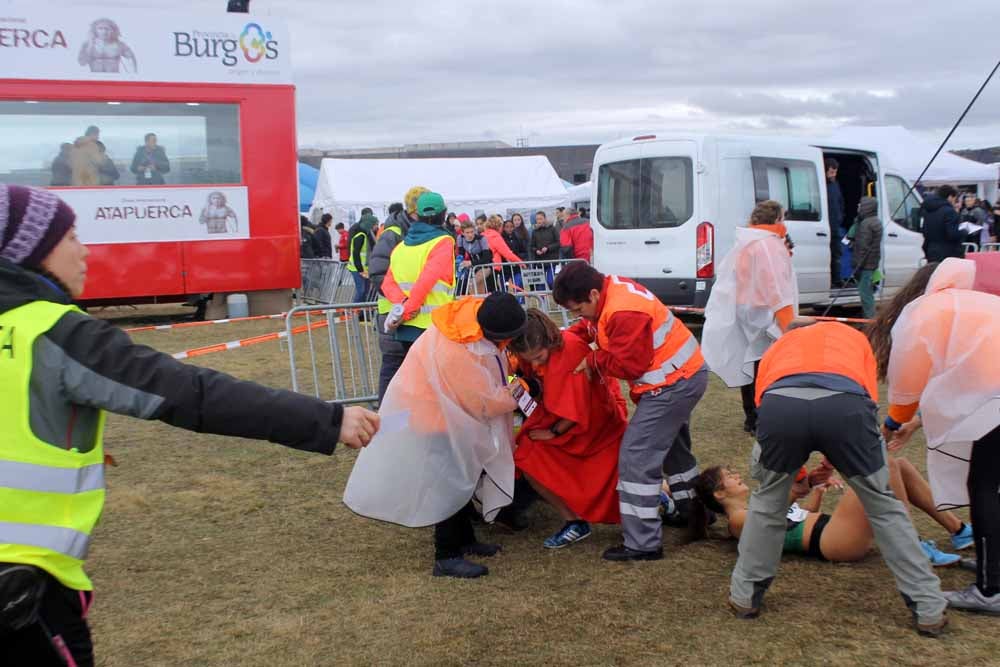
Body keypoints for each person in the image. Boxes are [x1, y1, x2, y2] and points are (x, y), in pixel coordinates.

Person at [0, 184, 380, 667]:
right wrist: (328, 419)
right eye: (71, 235)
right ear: (29, 250)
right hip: (24, 593)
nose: (85, 250)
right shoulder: (49, 330)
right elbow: (188, 393)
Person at [726, 318, 947, 636]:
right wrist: (835, 452)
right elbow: (864, 404)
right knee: (884, 508)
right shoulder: (855, 341)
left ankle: (744, 597)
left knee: (767, 504)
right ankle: (929, 609)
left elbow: (766, 410)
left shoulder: (779, 346)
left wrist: (796, 471)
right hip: (846, 406)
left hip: (781, 407)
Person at [343, 293, 527, 579]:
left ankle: (465, 539)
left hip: (443, 413)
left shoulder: (472, 322)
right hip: (434, 418)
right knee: (449, 481)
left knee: (462, 475)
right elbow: (482, 401)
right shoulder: (457, 349)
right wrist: (522, 392)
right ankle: (446, 555)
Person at [868, 258, 1000, 615]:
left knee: (985, 485)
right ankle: (993, 565)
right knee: (990, 482)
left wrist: (894, 422)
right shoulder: (978, 303)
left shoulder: (926, 311)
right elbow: (977, 380)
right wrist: (916, 422)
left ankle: (991, 589)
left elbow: (908, 380)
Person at [553, 262, 708, 561]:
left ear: (594, 294)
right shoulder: (613, 292)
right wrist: (572, 336)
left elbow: (629, 365)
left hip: (672, 384)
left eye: (577, 308)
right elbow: (594, 325)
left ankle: (643, 542)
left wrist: (595, 360)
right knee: (675, 451)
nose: (577, 315)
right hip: (682, 375)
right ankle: (693, 512)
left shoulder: (624, 311)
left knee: (636, 457)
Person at [691, 459, 969, 566]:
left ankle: (958, 530)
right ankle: (911, 546)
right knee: (882, 467)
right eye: (729, 476)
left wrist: (818, 490)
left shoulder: (750, 509)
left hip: (831, 529)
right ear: (719, 493)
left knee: (899, 464)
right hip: (833, 541)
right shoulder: (738, 521)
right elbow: (772, 519)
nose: (737, 474)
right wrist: (796, 488)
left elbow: (800, 515)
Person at [509, 309, 628, 549]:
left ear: (548, 341)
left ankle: (661, 498)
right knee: (526, 455)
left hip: (595, 426)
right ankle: (573, 521)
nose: (534, 363)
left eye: (539, 357)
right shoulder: (542, 348)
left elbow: (579, 405)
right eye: (528, 358)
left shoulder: (571, 350)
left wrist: (553, 432)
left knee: (619, 473)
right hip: (568, 420)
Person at [701, 199, 797, 435]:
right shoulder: (766, 244)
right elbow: (774, 283)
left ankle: (752, 417)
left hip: (745, 308)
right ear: (776, 219)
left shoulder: (747, 241)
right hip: (764, 310)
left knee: (750, 363)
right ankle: (760, 416)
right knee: (764, 364)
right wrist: (787, 322)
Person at [379, 190, 457, 373]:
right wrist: (408, 310)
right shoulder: (443, 242)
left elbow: (387, 283)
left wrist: (403, 306)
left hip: (406, 330)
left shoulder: (401, 247)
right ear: (443, 214)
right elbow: (426, 281)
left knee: (417, 379)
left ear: (418, 215)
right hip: (434, 325)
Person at [369, 190, 423, 402]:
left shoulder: (422, 233)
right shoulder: (393, 233)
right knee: (392, 367)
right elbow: (378, 272)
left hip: (413, 314)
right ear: (413, 211)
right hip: (393, 314)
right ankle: (385, 418)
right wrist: (403, 303)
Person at [851, 196, 882, 319]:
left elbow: (862, 247)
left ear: (866, 207)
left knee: (865, 295)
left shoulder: (866, 224)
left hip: (865, 265)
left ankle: (870, 321)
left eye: (860, 205)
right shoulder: (875, 221)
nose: (858, 207)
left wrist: (857, 265)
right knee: (869, 293)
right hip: (872, 263)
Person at [920, 185, 963, 261]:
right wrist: (964, 232)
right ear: (950, 197)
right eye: (955, 199)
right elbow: (952, 234)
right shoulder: (949, 211)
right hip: (948, 252)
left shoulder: (927, 210)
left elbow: (924, 230)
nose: (955, 202)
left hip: (931, 249)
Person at [482, 214, 524, 292]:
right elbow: (507, 253)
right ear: (498, 226)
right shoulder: (495, 236)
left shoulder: (483, 234)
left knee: (487, 290)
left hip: (483, 266)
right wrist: (520, 262)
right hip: (493, 266)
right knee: (494, 290)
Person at [346, 208, 377, 302]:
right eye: (375, 224)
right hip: (357, 268)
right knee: (361, 291)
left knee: (366, 291)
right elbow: (356, 253)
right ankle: (354, 311)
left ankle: (360, 312)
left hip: (364, 268)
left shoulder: (366, 234)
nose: (376, 227)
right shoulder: (360, 236)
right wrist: (360, 270)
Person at [456, 218, 494, 294]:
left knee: (472, 284)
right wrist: (459, 262)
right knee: (480, 288)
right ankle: (480, 304)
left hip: (486, 265)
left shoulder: (481, 239)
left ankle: (476, 303)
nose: (470, 235)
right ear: (463, 233)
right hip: (474, 266)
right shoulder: (460, 238)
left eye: (472, 232)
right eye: (467, 232)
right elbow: (461, 254)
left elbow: (486, 258)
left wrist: (471, 263)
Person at [825, 158, 845, 286]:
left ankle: (837, 279)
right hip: (826, 226)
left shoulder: (835, 185)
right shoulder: (823, 186)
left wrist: (840, 217)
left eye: (835, 172)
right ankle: (831, 280)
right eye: (831, 172)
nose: (834, 175)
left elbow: (840, 202)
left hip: (835, 226)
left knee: (837, 254)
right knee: (828, 255)